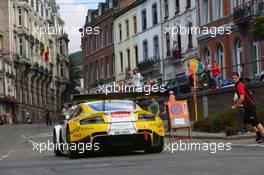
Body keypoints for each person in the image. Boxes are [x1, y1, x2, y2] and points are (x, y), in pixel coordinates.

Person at [231, 72, 264, 143]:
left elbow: (242, 98)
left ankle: (262, 135)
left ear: (238, 78)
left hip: (249, 106)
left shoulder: (239, 85)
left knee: (256, 122)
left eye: (235, 77)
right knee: (248, 121)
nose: (234, 79)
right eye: (233, 78)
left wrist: (235, 105)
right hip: (247, 106)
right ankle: (259, 134)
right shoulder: (237, 85)